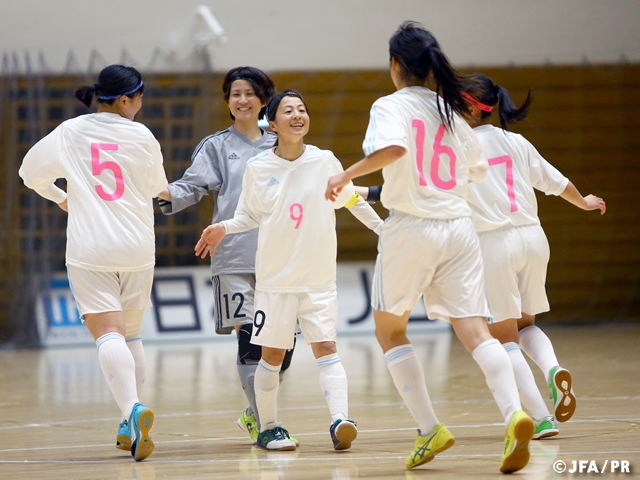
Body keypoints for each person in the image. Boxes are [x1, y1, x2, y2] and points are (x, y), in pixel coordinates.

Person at [325, 22, 533, 474]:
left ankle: (429, 429)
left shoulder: (390, 105)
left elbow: (395, 149)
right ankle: (514, 413)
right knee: (477, 330)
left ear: (395, 64)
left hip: (413, 228)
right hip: (459, 228)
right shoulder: (452, 112)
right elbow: (475, 170)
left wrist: (347, 174)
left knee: (391, 331)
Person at [157, 68, 381, 445]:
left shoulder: (312, 155)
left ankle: (308, 415)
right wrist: (208, 221)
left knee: (304, 350)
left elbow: (348, 196)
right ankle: (267, 425)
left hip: (308, 271)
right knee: (262, 350)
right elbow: (224, 203)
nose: (297, 115)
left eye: (302, 109)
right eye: (234, 94)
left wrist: (384, 225)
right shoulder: (238, 158)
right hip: (256, 270)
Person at [19, 64, 167, 462]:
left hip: (92, 249)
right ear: (125, 100)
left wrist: (61, 196)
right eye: (140, 97)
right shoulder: (143, 135)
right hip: (138, 249)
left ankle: (132, 410)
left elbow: (28, 173)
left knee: (109, 336)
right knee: (131, 335)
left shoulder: (72, 131)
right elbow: (158, 188)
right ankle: (128, 419)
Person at [460, 73, 606, 438]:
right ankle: (553, 369)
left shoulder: (459, 149)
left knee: (504, 338)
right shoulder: (517, 142)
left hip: (494, 244)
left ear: (466, 106)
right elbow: (557, 183)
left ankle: (540, 418)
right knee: (527, 325)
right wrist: (585, 202)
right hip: (533, 238)